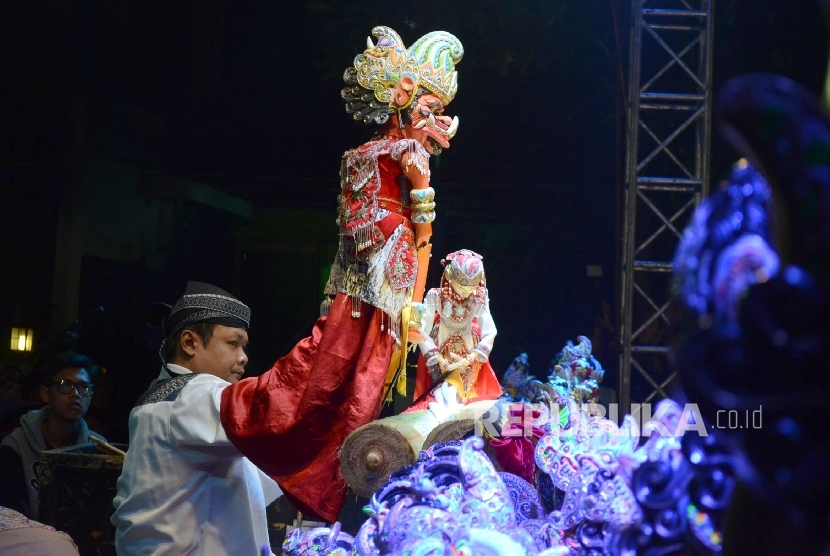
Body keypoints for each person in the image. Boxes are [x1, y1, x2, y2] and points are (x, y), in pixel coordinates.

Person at [219, 25, 464, 523]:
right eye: (429, 107)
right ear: (402, 99)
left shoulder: (382, 155)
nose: (435, 120)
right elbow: (405, 230)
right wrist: (399, 296)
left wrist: (408, 298)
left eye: (439, 109)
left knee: (344, 371)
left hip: (372, 277)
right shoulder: (391, 154)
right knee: (349, 372)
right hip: (374, 274)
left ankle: (289, 435)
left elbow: (393, 231)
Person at [111, 281, 282, 556]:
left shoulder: (162, 397)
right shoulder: (194, 394)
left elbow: (256, 476)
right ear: (189, 342)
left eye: (244, 346)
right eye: (232, 343)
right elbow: (272, 413)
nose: (243, 358)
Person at [0, 351, 105, 520]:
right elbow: (12, 518)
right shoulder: (15, 446)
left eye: (84, 387)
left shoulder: (100, 449)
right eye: (65, 385)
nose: (75, 394)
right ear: (46, 393)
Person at [407, 249, 502, 411]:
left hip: (469, 347)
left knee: (464, 394)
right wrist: (436, 356)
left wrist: (472, 357)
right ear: (450, 277)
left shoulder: (478, 297)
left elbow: (489, 329)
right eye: (462, 285)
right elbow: (422, 328)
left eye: (472, 286)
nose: (467, 290)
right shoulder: (436, 296)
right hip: (441, 345)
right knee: (440, 390)